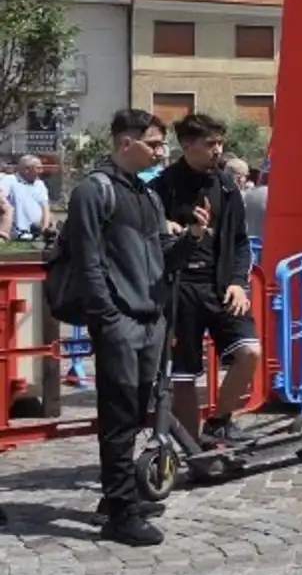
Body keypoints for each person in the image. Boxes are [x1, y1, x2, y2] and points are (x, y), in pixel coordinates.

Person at [68, 109, 207, 546]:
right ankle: (120, 511)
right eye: (153, 143)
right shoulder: (95, 190)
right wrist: (108, 318)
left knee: (133, 411)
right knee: (119, 415)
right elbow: (87, 261)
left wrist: (190, 240)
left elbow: (160, 258)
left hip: (149, 319)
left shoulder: (146, 195)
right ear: (125, 143)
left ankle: (117, 498)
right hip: (121, 321)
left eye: (161, 144)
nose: (160, 151)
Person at [152, 114, 260, 445]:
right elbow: (149, 240)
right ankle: (190, 446)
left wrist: (238, 283)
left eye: (220, 143)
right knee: (184, 375)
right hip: (178, 289)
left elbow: (241, 242)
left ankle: (219, 421)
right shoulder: (161, 187)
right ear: (187, 146)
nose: (218, 150)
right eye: (210, 144)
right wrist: (171, 231)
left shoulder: (227, 186)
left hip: (220, 285)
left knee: (251, 353)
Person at [3, 154, 53, 237]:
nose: (41, 171)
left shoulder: (40, 184)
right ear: (27, 169)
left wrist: (45, 228)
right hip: (16, 237)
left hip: (36, 236)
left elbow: (45, 208)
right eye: (38, 168)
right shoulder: (10, 180)